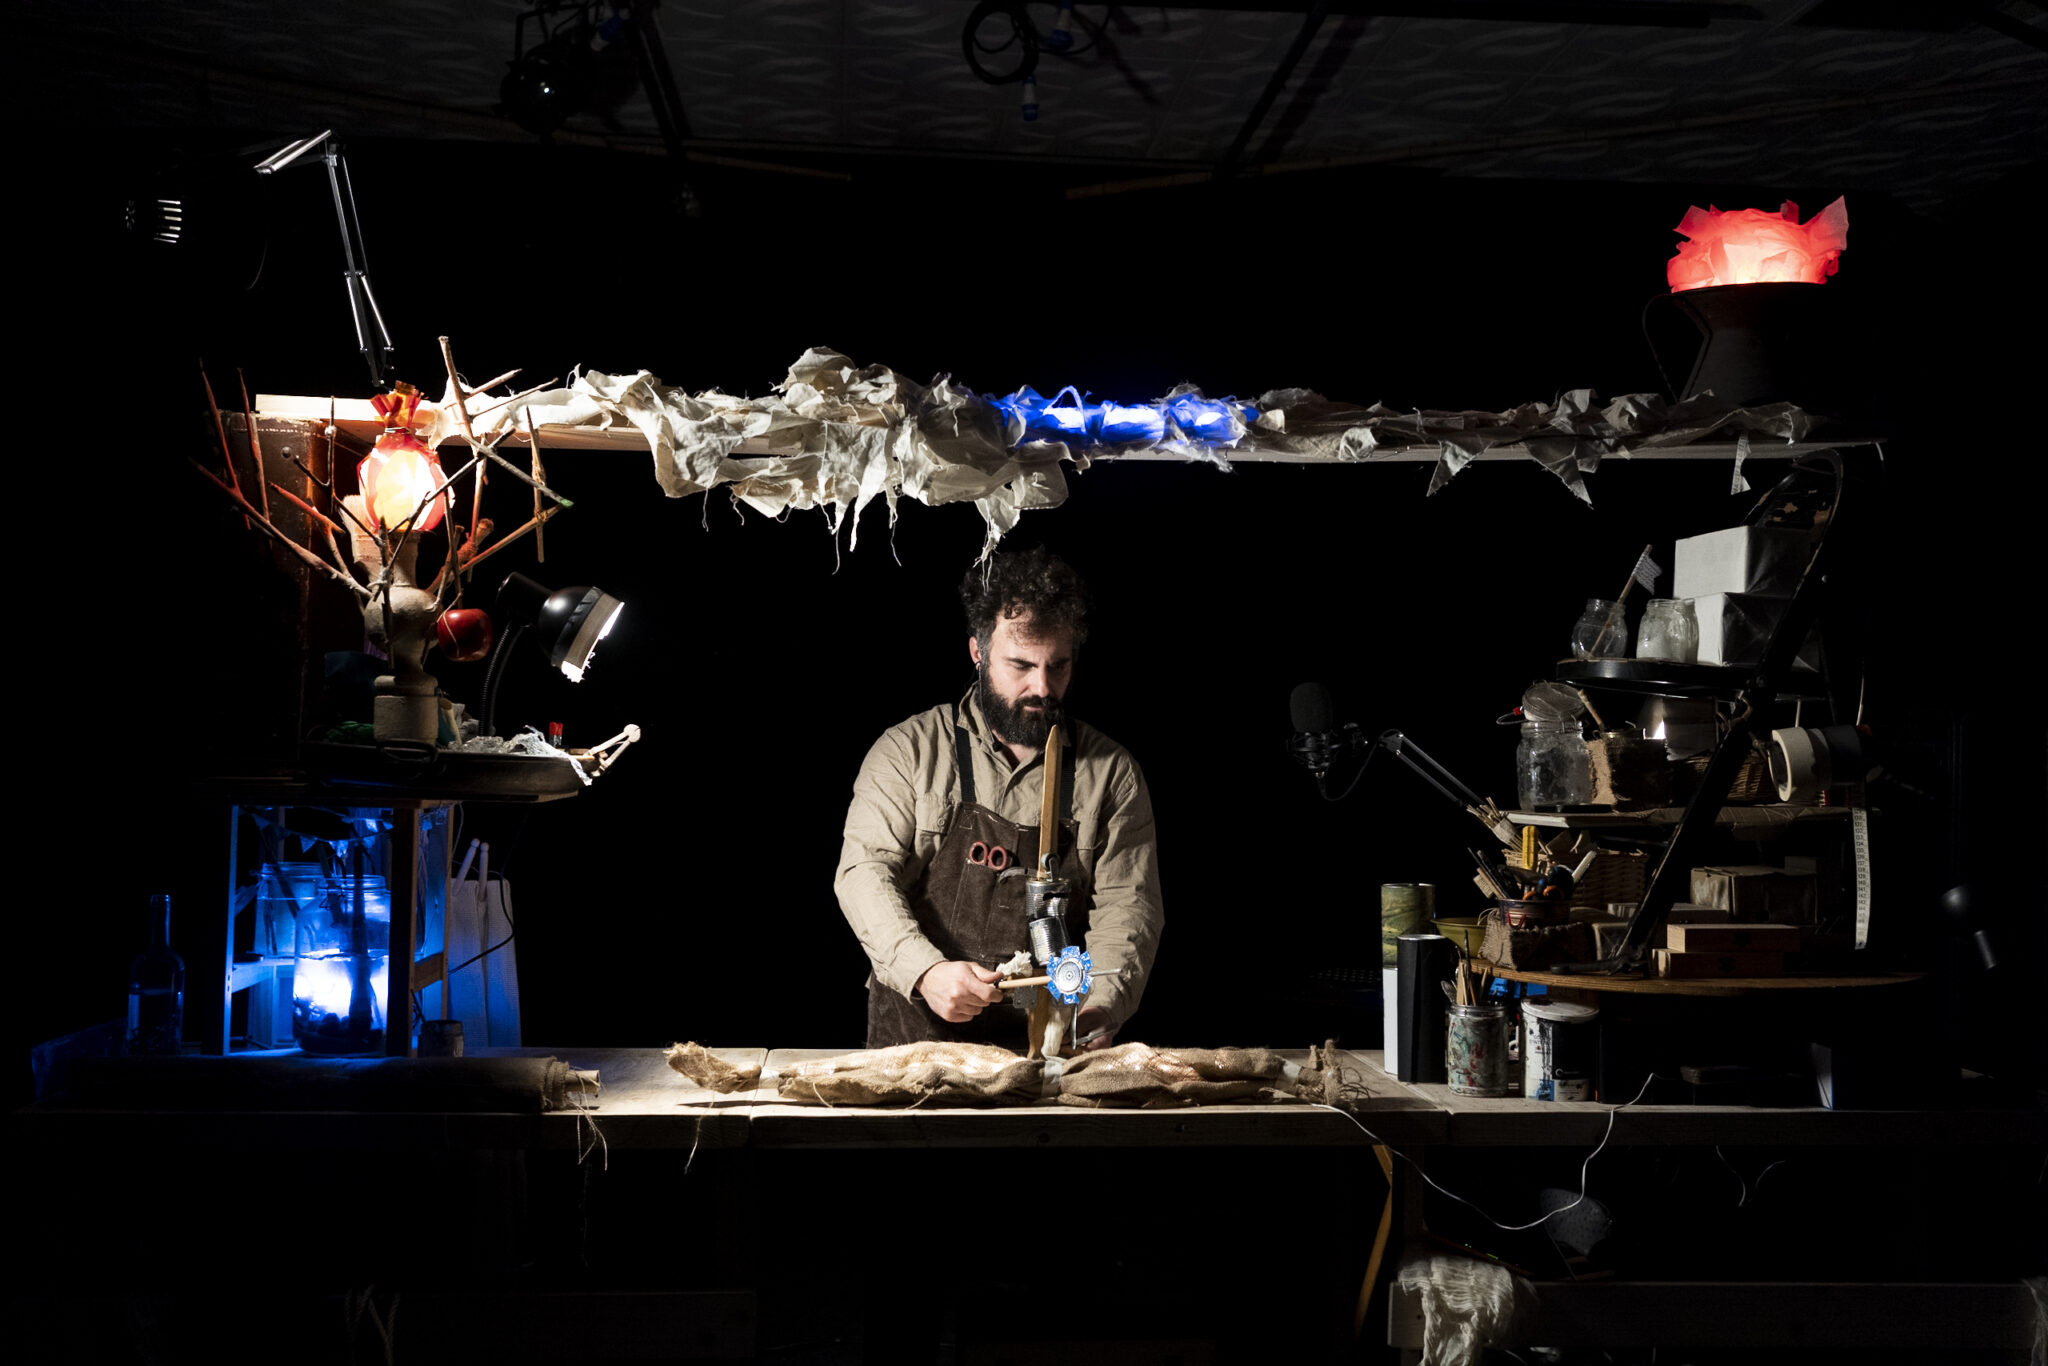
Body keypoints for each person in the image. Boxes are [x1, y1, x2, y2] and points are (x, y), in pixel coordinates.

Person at [835, 546, 1163, 1051]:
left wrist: (1101, 1005)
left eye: (1058, 666)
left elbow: (1129, 906)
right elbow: (863, 873)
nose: (1043, 687)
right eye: (1021, 665)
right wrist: (925, 971)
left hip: (1049, 1047)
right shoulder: (908, 751)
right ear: (978, 652)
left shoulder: (1112, 774)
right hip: (916, 1043)